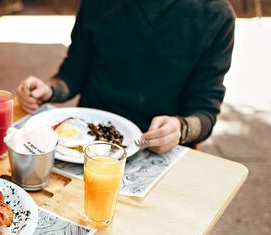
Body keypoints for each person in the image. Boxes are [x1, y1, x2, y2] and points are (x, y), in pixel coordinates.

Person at [17, 0, 235, 153]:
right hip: (86, 139)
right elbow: (73, 72)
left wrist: (181, 128)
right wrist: (50, 89)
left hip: (158, 148)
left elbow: (205, 112)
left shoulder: (216, 14)